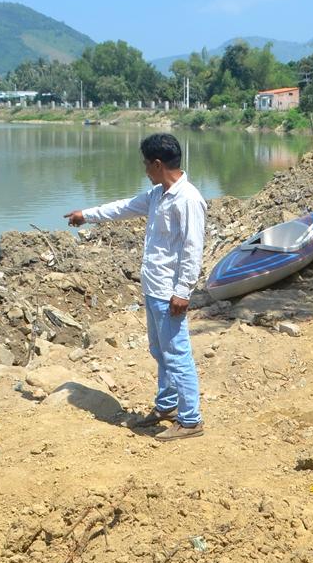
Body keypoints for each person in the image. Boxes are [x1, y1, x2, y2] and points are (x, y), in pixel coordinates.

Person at [66, 133, 207, 440]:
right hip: (154, 287)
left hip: (170, 292)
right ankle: (167, 405)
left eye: (146, 164)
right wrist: (86, 215)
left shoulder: (189, 200)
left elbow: (193, 250)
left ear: (158, 164)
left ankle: (191, 418)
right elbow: (123, 208)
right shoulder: (158, 195)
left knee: (177, 354)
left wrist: (183, 291)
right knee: (160, 351)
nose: (144, 169)